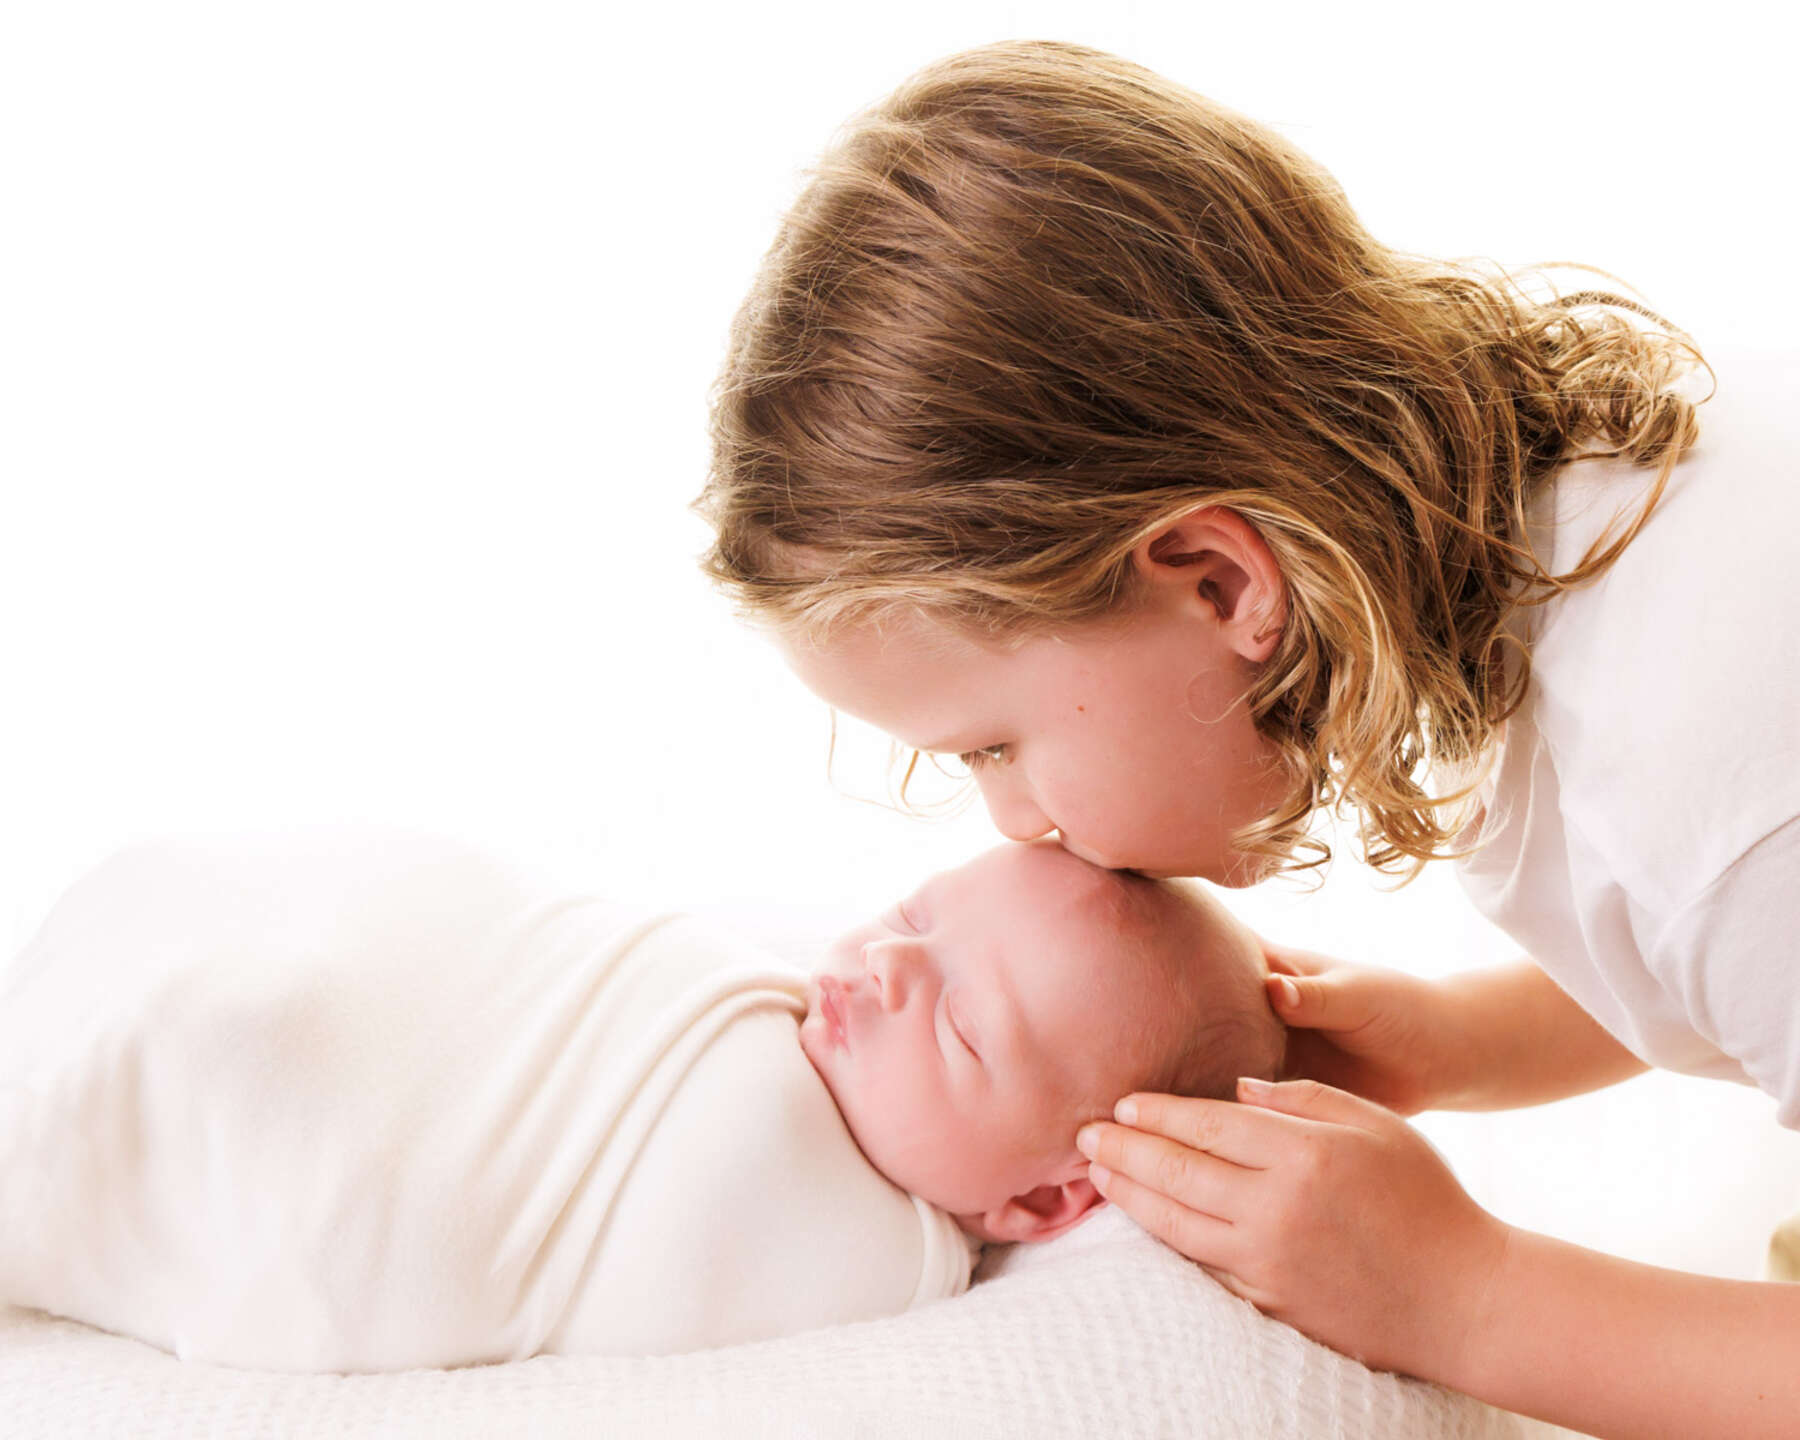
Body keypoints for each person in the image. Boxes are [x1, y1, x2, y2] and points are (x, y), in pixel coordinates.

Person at [693, 36, 1800, 1439]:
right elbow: (1718, 959)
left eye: (992, 746)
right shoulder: (1575, 567)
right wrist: (1458, 1045)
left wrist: (1469, 1296)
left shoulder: (1714, 768)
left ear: (1221, 583)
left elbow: (1731, 882)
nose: (1013, 822)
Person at [0, 825, 1280, 1369]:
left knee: (256, 1065)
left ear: (1047, 1196)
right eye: (915, 914)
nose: (882, 968)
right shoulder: (772, 1000)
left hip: (380, 1168)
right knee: (286, 981)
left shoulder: (879, 1256)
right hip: (432, 1006)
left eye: (956, 1021)